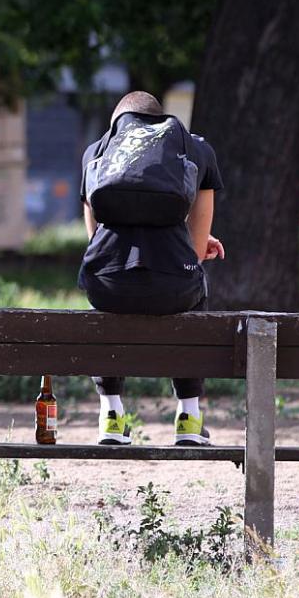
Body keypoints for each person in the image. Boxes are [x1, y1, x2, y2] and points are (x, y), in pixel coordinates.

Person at [79, 90, 225, 445]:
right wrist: (188, 249)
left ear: (119, 125)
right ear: (159, 120)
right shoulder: (195, 149)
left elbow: (94, 236)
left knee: (102, 300)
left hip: (109, 284)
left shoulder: (97, 151)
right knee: (196, 290)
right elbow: (196, 241)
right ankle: (189, 417)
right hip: (172, 286)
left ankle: (111, 413)